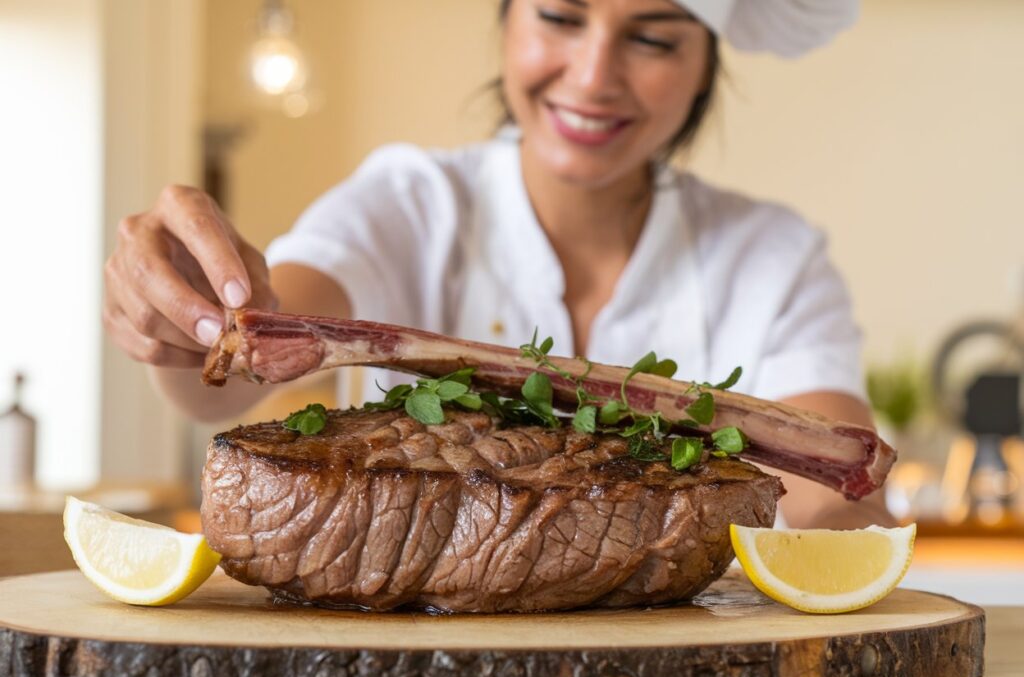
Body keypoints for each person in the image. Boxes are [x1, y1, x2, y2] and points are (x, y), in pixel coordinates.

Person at [103, 0, 894, 529]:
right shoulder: (410, 201)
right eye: (559, 16)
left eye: (652, 38)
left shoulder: (775, 254)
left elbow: (834, 488)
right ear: (507, 20)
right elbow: (238, 364)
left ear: (704, 71)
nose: (592, 76)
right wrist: (195, 311)